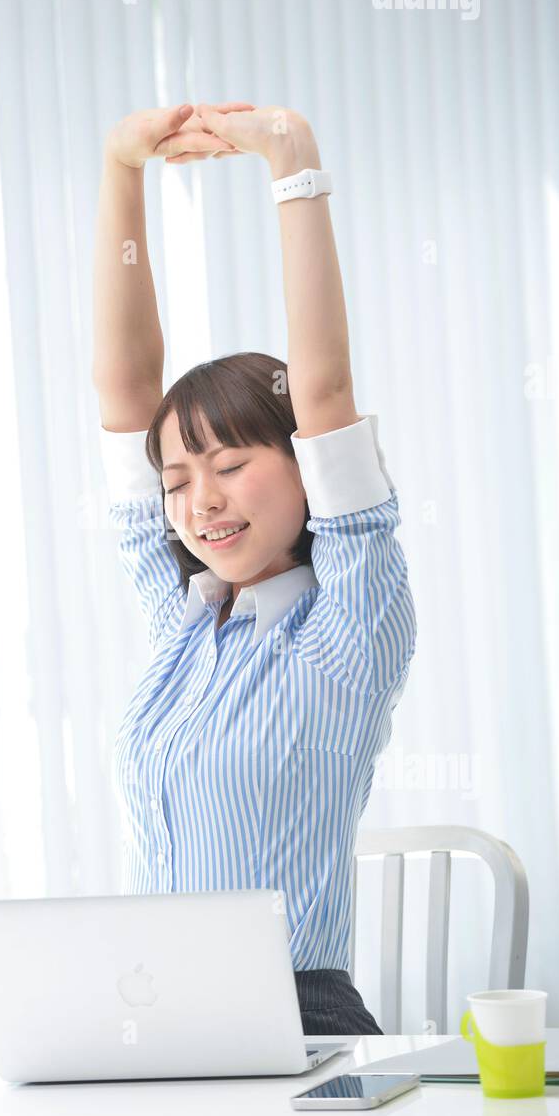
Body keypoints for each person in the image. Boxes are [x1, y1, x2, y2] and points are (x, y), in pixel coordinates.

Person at [92, 101, 417, 1034]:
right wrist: (122, 169)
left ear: (305, 467)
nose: (200, 502)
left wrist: (291, 160)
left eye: (231, 466)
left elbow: (319, 390)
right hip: (153, 1014)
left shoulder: (346, 626)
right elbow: (122, 390)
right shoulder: (180, 624)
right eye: (179, 481)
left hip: (296, 1017)